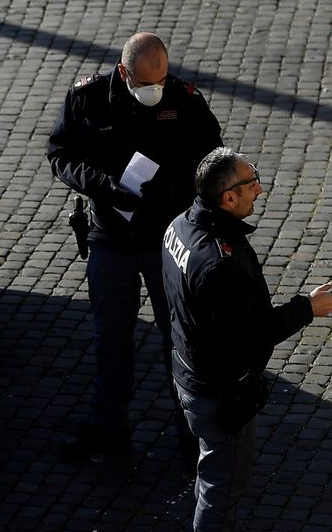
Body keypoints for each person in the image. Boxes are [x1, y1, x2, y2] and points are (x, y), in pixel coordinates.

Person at [162, 148, 332, 532]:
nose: (259, 189)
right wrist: (308, 307)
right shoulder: (219, 262)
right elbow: (252, 332)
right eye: (250, 183)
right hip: (218, 388)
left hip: (188, 368)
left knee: (212, 474)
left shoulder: (179, 227)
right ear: (227, 198)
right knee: (221, 485)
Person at [47, 32, 223, 464]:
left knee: (179, 341)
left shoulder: (184, 99)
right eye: (147, 82)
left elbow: (212, 158)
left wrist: (180, 188)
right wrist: (105, 187)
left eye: (161, 80)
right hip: (111, 237)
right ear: (124, 73)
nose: (156, 89)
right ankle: (108, 427)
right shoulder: (87, 99)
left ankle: (190, 436)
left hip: (168, 241)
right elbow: (61, 154)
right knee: (111, 338)